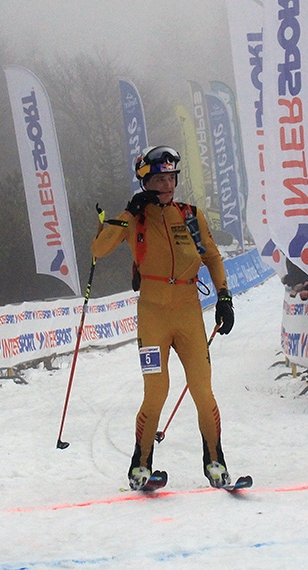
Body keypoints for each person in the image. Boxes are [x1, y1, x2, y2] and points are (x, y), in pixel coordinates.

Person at [91, 145, 236, 490]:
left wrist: (224, 297)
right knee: (156, 391)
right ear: (145, 182)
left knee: (203, 390)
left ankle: (215, 462)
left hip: (188, 310)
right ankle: (140, 465)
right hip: (153, 313)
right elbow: (98, 250)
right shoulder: (136, 218)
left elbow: (213, 257)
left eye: (170, 177)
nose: (166, 185)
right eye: (158, 178)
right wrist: (127, 212)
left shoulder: (190, 214)